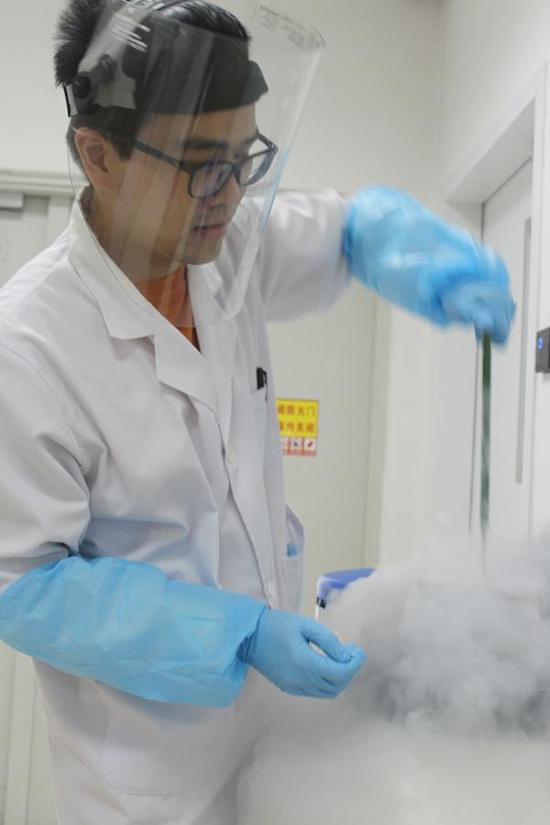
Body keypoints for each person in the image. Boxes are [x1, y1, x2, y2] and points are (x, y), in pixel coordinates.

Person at [0, 1, 515, 823]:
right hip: (146, 783)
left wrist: (392, 236)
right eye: (202, 165)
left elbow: (342, 230)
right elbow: (26, 587)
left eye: (246, 159)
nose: (233, 193)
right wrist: (234, 631)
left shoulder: (223, 244)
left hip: (270, 740)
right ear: (97, 154)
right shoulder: (28, 346)